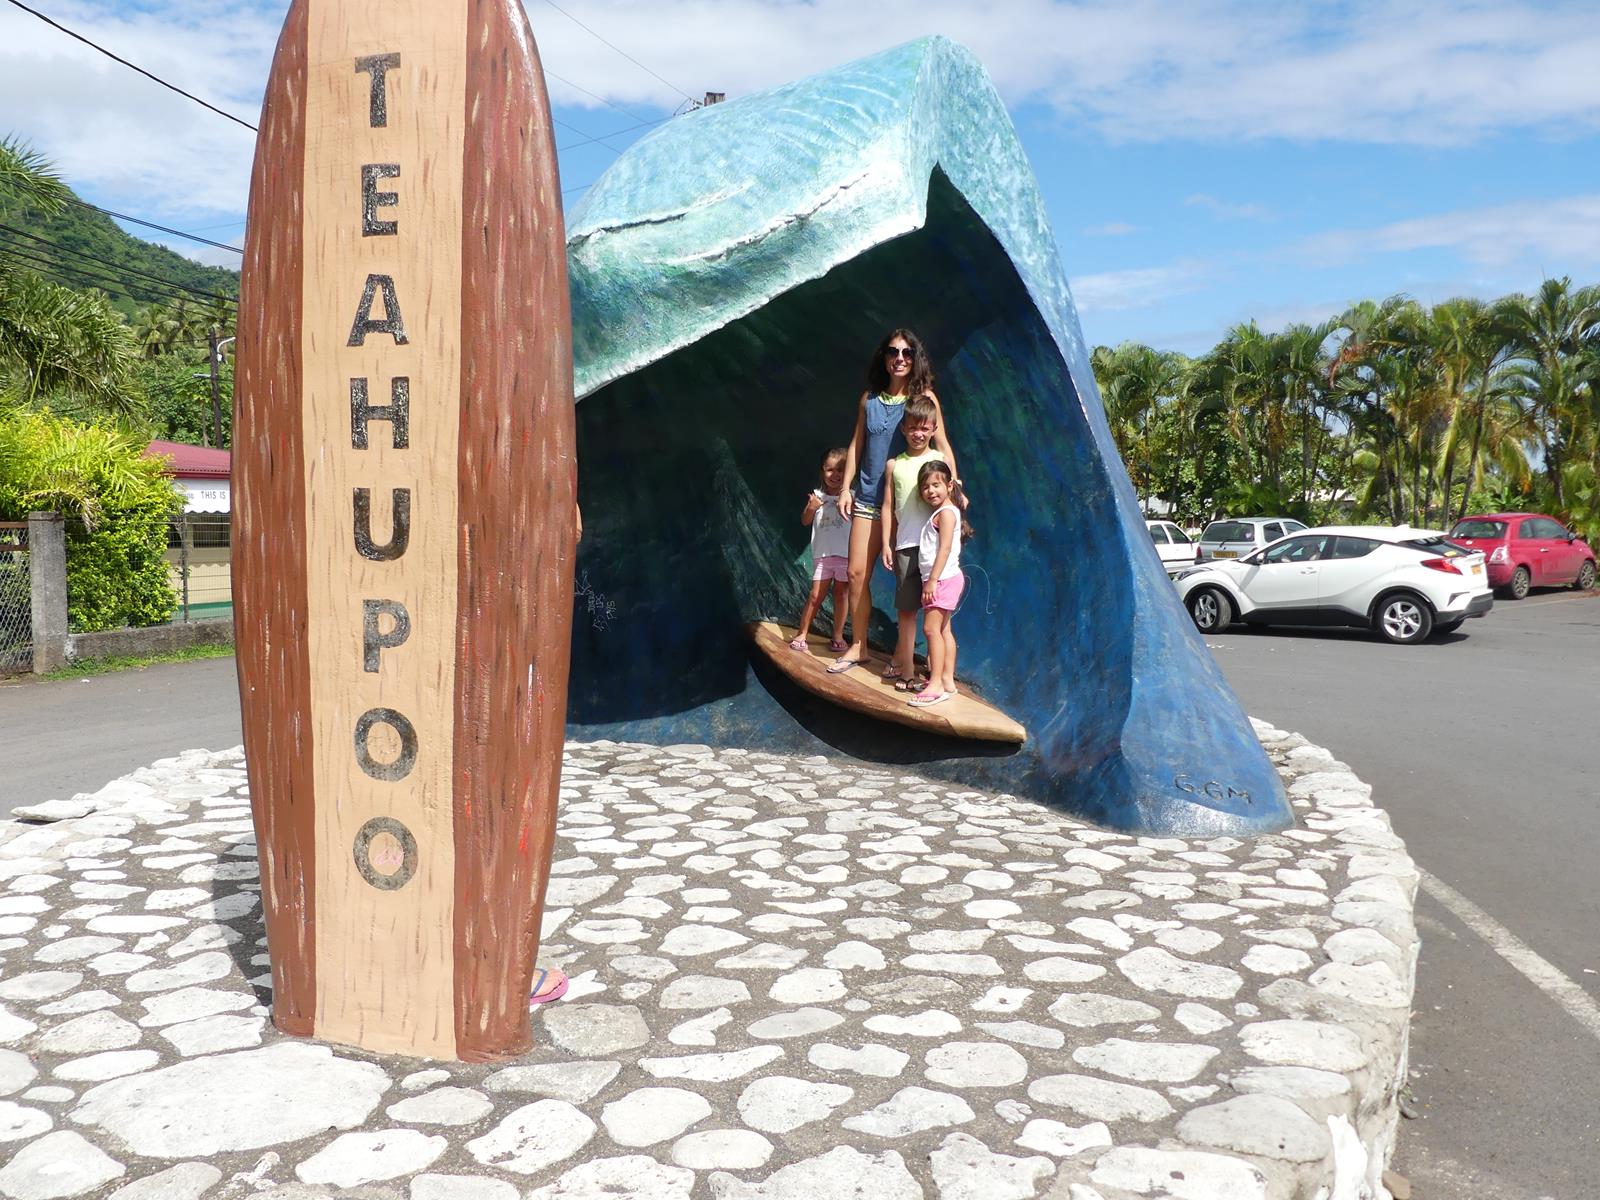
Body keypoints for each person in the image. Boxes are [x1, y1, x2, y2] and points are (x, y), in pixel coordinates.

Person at [828, 329, 959, 674]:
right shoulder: (869, 399)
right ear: (884, 357)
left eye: (907, 353)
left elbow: (942, 444)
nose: (899, 358)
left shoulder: (923, 397)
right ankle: (859, 645)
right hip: (870, 499)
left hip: (915, 507)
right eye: (893, 352)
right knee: (856, 573)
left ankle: (932, 659)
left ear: (915, 359)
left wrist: (954, 485)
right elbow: (856, 444)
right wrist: (846, 488)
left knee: (928, 578)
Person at [879, 395, 948, 690]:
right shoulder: (895, 465)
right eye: (912, 428)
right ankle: (907, 671)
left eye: (925, 428)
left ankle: (939, 676)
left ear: (933, 429)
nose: (918, 433)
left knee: (939, 617)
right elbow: (887, 506)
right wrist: (886, 542)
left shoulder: (940, 462)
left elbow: (952, 502)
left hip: (934, 550)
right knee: (906, 613)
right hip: (906, 546)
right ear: (904, 429)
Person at [909, 459, 967, 708]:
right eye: (926, 487)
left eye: (936, 485)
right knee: (944, 631)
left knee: (931, 630)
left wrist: (931, 581)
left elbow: (944, 548)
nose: (931, 490)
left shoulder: (945, 513)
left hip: (941, 580)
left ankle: (936, 685)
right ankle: (947, 680)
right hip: (948, 578)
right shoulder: (948, 511)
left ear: (949, 485)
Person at [792, 448, 852, 652]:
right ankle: (802, 633)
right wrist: (812, 507)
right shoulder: (817, 496)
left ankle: (837, 635)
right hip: (823, 556)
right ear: (822, 472)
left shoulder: (852, 497)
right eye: (830, 470)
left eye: (841, 470)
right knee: (816, 595)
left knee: (841, 595)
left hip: (845, 556)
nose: (835, 475)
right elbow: (805, 521)